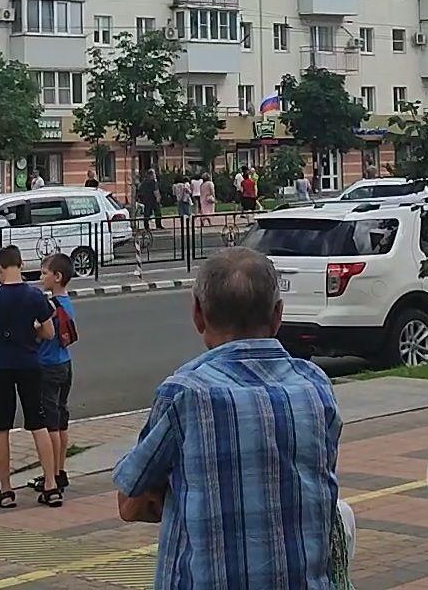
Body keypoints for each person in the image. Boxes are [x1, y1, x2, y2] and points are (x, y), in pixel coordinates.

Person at [114, 248, 345, 588]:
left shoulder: (185, 393)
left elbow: (130, 502)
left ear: (198, 314)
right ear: (278, 315)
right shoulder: (315, 386)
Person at [0, 245, 59, 508]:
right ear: (21, 265)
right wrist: (32, 333)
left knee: (0, 427)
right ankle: (51, 486)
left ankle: (5, 490)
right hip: (30, 365)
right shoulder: (35, 296)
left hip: (1, 368)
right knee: (38, 423)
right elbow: (49, 332)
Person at [29, 253, 77, 497]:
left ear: (57, 277)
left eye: (45, 273)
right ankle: (60, 469)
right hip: (65, 364)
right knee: (61, 418)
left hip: (47, 366)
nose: (41, 277)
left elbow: (41, 332)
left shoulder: (49, 307)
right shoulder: (68, 304)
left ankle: (52, 476)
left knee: (50, 425)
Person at [136, 170, 162, 236]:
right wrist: (158, 198)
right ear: (151, 175)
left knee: (147, 213)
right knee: (157, 212)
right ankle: (158, 225)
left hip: (146, 199)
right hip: (153, 199)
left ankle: (146, 226)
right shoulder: (153, 182)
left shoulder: (144, 182)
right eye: (154, 174)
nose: (155, 175)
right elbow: (156, 190)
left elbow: (140, 190)